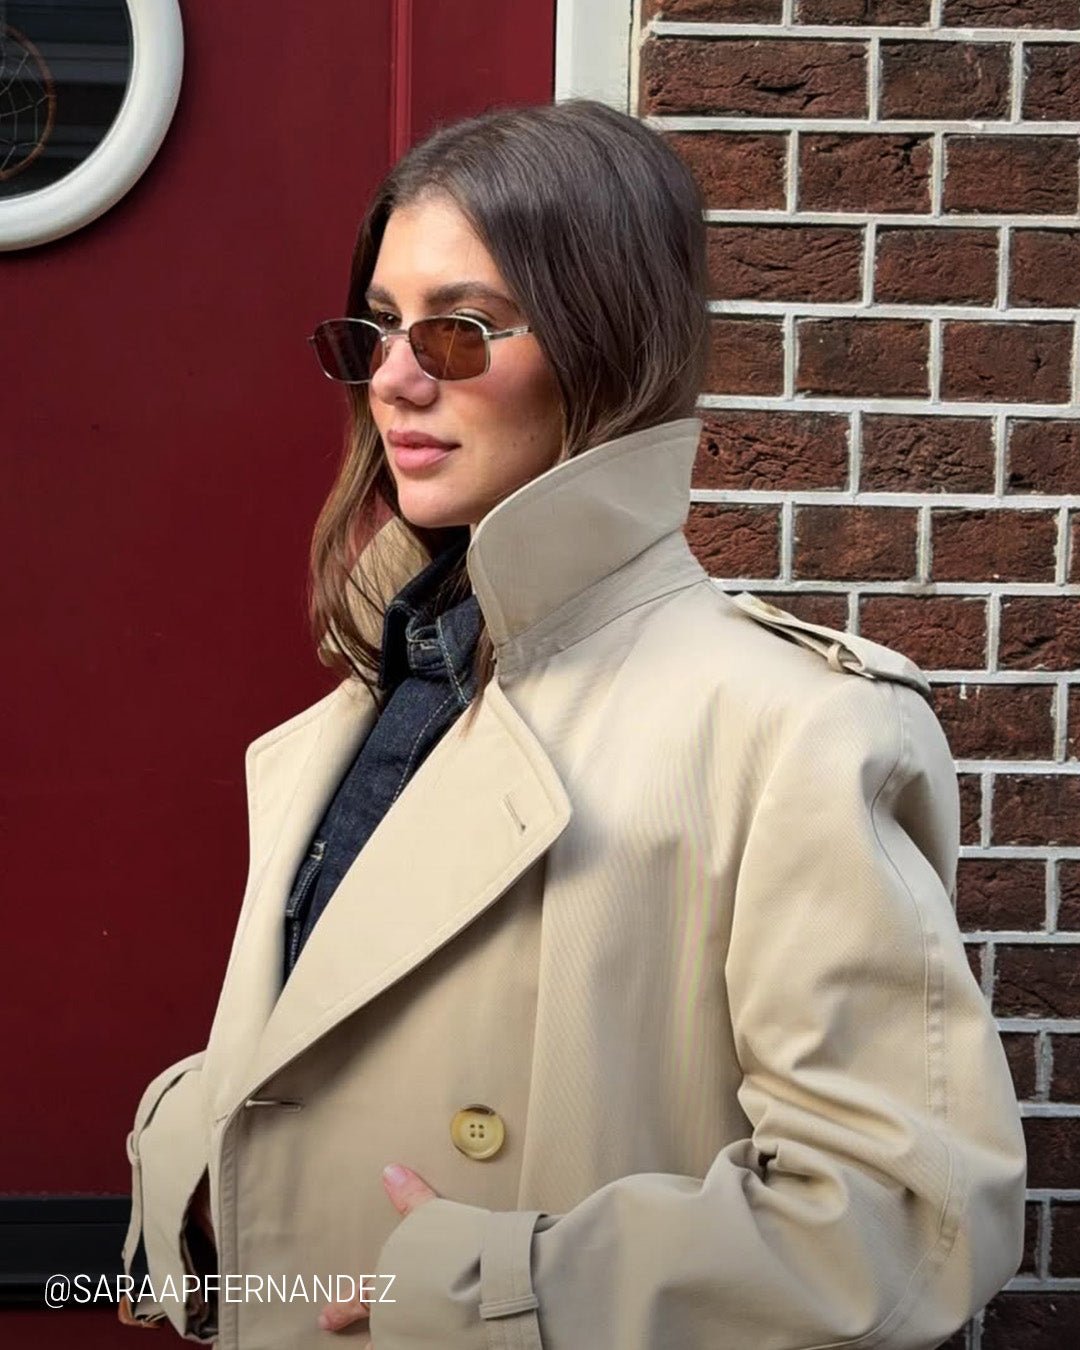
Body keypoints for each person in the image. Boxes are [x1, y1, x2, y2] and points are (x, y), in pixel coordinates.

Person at [119, 99, 1026, 1350]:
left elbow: (905, 1225)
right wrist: (200, 1169)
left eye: (457, 329)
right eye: (378, 328)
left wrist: (502, 1284)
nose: (393, 378)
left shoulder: (789, 725)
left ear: (606, 344)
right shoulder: (382, 689)